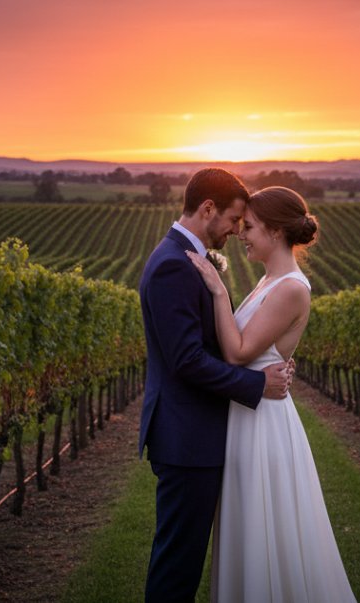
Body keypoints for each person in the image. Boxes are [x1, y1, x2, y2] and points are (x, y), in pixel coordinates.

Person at [186, 186, 357, 603]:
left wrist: (219, 291)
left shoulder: (291, 288)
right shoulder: (270, 280)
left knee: (266, 524)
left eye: (251, 227)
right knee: (249, 525)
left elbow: (239, 352)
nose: (242, 234)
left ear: (277, 232)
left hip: (263, 421)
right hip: (250, 411)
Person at [138, 167, 293, 603]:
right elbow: (186, 361)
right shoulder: (173, 265)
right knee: (177, 566)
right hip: (187, 440)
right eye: (233, 219)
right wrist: (254, 384)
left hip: (193, 436)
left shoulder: (183, 258)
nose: (235, 231)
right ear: (208, 209)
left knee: (181, 560)